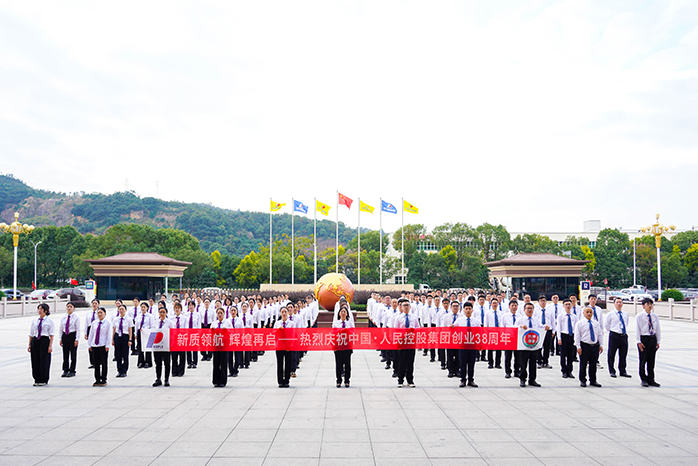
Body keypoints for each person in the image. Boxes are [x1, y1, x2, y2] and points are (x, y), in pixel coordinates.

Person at [518, 303, 548, 387]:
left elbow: (540, 327)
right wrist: (520, 326)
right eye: (528, 308)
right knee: (523, 363)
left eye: (531, 308)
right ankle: (522, 379)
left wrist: (545, 327)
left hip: (534, 346)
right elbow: (514, 328)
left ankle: (532, 379)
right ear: (524, 310)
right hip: (523, 346)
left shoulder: (536, 320)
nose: (529, 310)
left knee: (533, 363)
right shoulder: (520, 320)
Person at [393, 298, 421, 388]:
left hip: (411, 342)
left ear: (410, 307)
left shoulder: (414, 317)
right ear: (401, 307)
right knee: (401, 362)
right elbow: (395, 330)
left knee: (410, 362)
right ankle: (400, 380)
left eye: (407, 305)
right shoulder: (398, 318)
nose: (406, 307)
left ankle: (410, 380)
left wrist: (414, 330)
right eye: (404, 305)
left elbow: (418, 327)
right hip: (402, 342)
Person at [575, 306, 603, 387]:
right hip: (585, 345)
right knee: (583, 364)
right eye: (587, 312)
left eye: (590, 312)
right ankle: (583, 380)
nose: (589, 314)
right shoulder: (580, 323)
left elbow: (599, 334)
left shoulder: (596, 323)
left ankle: (593, 380)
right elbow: (577, 336)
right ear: (583, 313)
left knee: (593, 364)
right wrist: (578, 346)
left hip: (594, 346)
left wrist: (601, 345)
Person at [637, 298, 661, 387]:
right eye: (647, 304)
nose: (650, 306)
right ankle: (643, 379)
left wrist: (658, 341)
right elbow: (637, 330)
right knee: (643, 360)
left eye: (651, 304)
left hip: (652, 338)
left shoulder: (655, 316)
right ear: (643, 306)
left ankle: (651, 379)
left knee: (651, 360)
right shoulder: (639, 316)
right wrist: (638, 341)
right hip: (644, 339)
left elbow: (658, 329)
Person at [28, 303, 55, 386]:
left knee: (44, 360)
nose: (39, 311)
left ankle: (44, 378)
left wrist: (50, 346)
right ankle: (37, 378)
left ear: (45, 311)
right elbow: (31, 333)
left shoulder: (49, 321)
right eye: (38, 309)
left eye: (41, 309)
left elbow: (51, 334)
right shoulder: (35, 321)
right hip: (36, 340)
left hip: (44, 340)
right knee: (35, 359)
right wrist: (29, 344)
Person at [454, 301, 479, 387]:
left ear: (472, 310)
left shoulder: (476, 321)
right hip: (463, 345)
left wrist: (480, 345)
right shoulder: (459, 321)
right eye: (466, 309)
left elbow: (480, 333)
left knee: (472, 364)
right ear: (463, 310)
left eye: (469, 309)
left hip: (473, 345)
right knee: (463, 363)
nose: (468, 310)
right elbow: (453, 331)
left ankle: (471, 380)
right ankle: (463, 380)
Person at [605, 297, 631, 378]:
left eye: (620, 302)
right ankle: (612, 370)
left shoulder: (625, 314)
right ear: (614, 304)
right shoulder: (610, 314)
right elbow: (607, 325)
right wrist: (614, 331)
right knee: (611, 353)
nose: (619, 304)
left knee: (623, 354)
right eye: (617, 302)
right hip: (614, 335)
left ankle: (622, 370)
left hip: (623, 335)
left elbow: (626, 323)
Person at [88, 307, 112, 387]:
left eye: (101, 312)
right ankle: (97, 379)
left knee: (104, 363)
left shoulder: (108, 323)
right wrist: (90, 344)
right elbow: (91, 334)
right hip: (95, 345)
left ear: (105, 313)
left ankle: (104, 379)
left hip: (103, 345)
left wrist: (107, 345)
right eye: (98, 313)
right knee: (96, 363)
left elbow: (109, 335)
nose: (99, 314)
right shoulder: (94, 323)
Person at [333, 306, 354, 387]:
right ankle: (338, 380)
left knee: (347, 364)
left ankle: (347, 380)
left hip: (347, 346)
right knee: (339, 364)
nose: (343, 313)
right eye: (341, 311)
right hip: (338, 346)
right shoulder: (336, 323)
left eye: (344, 311)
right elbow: (333, 334)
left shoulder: (350, 323)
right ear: (339, 313)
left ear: (347, 314)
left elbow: (353, 333)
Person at [556, 298, 578, 379]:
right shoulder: (560, 316)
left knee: (571, 354)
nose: (568, 306)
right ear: (563, 306)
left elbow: (576, 328)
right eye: (566, 304)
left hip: (572, 336)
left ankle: (570, 370)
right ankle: (564, 370)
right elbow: (558, 327)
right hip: (563, 335)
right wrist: (559, 338)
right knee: (563, 354)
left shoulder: (574, 316)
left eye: (569, 304)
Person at [274, 306, 293, 388]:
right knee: (280, 363)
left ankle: (287, 380)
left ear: (288, 312)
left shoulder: (292, 324)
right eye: (282, 312)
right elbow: (273, 334)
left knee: (288, 363)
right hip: (279, 345)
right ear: (280, 313)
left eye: (285, 311)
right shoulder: (277, 323)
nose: (284, 313)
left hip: (288, 346)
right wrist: (278, 330)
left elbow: (293, 335)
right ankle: (280, 381)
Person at [59, 302, 80, 377]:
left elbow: (78, 329)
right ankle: (65, 369)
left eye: (71, 306)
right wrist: (60, 338)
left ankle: (72, 370)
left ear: (73, 308)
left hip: (72, 335)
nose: (69, 308)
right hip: (65, 335)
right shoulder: (63, 317)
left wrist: (77, 339)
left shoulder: (76, 317)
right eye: (68, 306)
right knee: (65, 353)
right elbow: (61, 328)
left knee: (73, 354)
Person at [112, 304, 133, 378]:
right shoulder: (115, 319)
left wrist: (130, 339)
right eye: (120, 309)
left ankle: (124, 370)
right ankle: (119, 370)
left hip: (125, 336)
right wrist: (112, 339)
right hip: (118, 337)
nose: (121, 310)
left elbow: (130, 330)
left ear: (126, 310)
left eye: (122, 309)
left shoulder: (129, 319)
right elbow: (114, 330)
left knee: (125, 354)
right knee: (118, 354)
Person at [212, 308, 231, 387]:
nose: (220, 314)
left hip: (224, 345)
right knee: (216, 363)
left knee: (223, 363)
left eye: (221, 313)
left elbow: (232, 332)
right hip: (216, 345)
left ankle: (223, 381)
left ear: (224, 314)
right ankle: (216, 381)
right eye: (218, 313)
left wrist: (226, 330)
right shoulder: (214, 323)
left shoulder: (227, 322)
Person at [153, 307, 172, 387]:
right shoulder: (155, 322)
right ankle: (158, 379)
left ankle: (166, 379)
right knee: (158, 363)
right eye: (160, 312)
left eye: (163, 312)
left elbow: (172, 333)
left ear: (166, 313)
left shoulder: (169, 322)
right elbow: (152, 332)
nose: (162, 314)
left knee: (167, 363)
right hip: (157, 346)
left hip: (166, 345)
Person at [502, 300, 520, 379]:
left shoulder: (520, 316)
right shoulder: (505, 316)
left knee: (518, 356)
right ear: (509, 307)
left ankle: (517, 371)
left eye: (515, 305)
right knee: (508, 356)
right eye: (512, 305)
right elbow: (502, 327)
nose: (514, 307)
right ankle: (508, 372)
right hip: (508, 338)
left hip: (517, 337)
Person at [443, 300, 461, 378]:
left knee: (458, 355)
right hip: (450, 338)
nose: (455, 308)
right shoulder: (446, 316)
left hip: (459, 338)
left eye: (457, 306)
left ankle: (457, 370)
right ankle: (450, 371)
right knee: (450, 355)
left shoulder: (461, 317)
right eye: (454, 306)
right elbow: (443, 327)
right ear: (450, 307)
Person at [536, 295, 555, 369]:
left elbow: (553, 321)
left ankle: (546, 361)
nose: (543, 302)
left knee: (547, 347)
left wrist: (553, 331)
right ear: (538, 302)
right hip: (540, 330)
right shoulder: (536, 310)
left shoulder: (550, 310)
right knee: (539, 346)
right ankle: (539, 361)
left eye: (544, 301)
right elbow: (536, 321)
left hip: (548, 330)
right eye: (541, 301)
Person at [170, 302, 187, 377]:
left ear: (181, 309)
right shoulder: (171, 318)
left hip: (181, 338)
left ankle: (181, 370)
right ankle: (174, 370)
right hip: (173, 338)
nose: (177, 310)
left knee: (182, 355)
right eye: (176, 308)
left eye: (178, 308)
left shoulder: (184, 318)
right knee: (174, 356)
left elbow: (186, 329)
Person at [485, 298, 503, 369]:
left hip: (499, 332)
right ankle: (490, 363)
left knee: (499, 349)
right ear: (491, 304)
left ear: (498, 304)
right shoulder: (488, 313)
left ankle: (498, 363)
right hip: (490, 332)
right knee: (490, 349)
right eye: (493, 303)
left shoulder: (501, 313)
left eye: (496, 303)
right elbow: (486, 323)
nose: (495, 304)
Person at [136, 302, 154, 369]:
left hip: (147, 332)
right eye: (142, 307)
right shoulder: (138, 316)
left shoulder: (150, 316)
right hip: (140, 332)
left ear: (147, 308)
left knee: (147, 348)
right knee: (140, 347)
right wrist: (135, 333)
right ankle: (141, 361)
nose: (143, 308)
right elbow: (136, 325)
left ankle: (148, 362)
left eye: (144, 307)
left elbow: (152, 325)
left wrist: (151, 333)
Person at [84, 299, 100, 369]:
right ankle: (92, 362)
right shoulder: (89, 313)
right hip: (90, 328)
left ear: (98, 304)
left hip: (97, 328)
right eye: (93, 303)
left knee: (97, 345)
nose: (94, 304)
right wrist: (85, 333)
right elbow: (86, 323)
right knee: (90, 345)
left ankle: (98, 361)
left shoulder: (100, 312)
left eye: (96, 303)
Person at [185, 301, 201, 369]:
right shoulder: (186, 314)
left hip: (195, 332)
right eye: (189, 305)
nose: (191, 307)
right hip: (188, 332)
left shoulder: (197, 314)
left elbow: (199, 324)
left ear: (194, 306)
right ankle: (189, 362)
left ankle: (195, 362)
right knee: (188, 349)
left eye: (192, 305)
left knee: (194, 348)